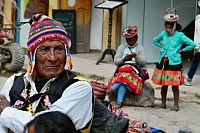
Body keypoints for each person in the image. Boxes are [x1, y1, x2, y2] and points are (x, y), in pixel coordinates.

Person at [0, 14, 93, 133]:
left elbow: (49, 129)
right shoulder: (14, 82)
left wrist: (6, 111)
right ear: (32, 55)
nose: (53, 58)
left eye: (59, 49)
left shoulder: (79, 88)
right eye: (45, 49)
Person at [151, 9, 196, 111]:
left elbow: (192, 44)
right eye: (166, 27)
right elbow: (155, 40)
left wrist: (182, 50)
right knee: (164, 84)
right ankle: (163, 103)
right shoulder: (163, 34)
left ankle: (176, 104)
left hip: (174, 63)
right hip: (164, 62)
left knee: (175, 86)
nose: (168, 30)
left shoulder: (180, 35)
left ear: (174, 26)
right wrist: (162, 47)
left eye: (170, 28)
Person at [107, 26, 147, 108]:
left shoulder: (140, 48)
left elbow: (143, 62)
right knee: (124, 82)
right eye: (129, 40)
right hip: (123, 68)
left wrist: (135, 56)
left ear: (136, 39)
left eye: (132, 40)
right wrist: (124, 59)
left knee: (125, 76)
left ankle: (113, 89)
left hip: (135, 70)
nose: (131, 42)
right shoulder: (122, 47)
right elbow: (116, 61)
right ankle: (119, 102)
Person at [184, 1, 200, 86]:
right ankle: (189, 78)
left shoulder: (198, 18)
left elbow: (198, 33)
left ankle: (189, 78)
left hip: (199, 45)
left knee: (195, 60)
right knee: (195, 60)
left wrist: (196, 45)